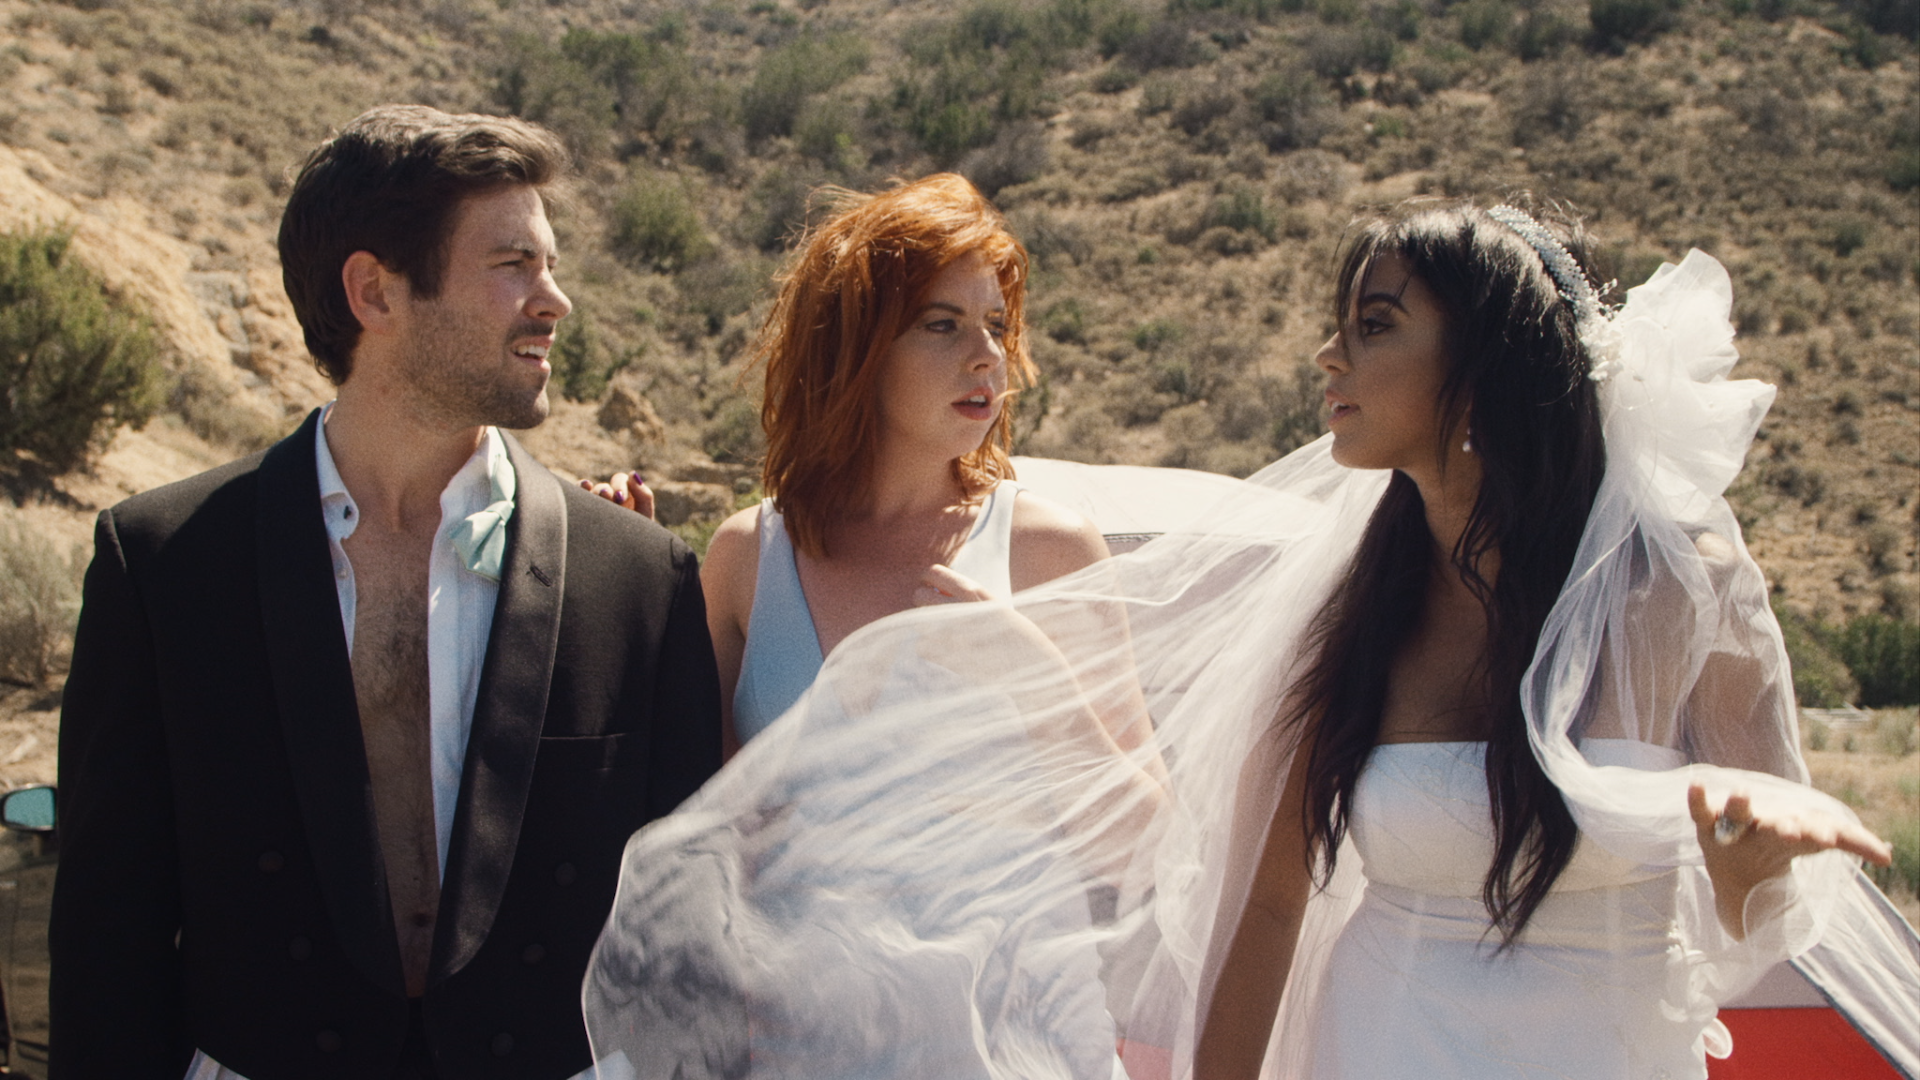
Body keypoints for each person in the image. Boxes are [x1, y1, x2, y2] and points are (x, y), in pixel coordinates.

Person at [579, 197, 1918, 1078]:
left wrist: (1746, 872)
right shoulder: (1361, 602)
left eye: (1371, 329)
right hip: (1361, 1043)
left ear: (1488, 366)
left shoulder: (1679, 589)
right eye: (946, 326)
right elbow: (1267, 903)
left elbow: (1761, 914)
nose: (1328, 360)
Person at [50, 105, 722, 1080]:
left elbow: (682, 940)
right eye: (513, 265)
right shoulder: (164, 566)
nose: (556, 300)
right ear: (373, 290)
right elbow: (107, 937)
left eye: (549, 265)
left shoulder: (641, 580)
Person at [594, 173, 1108, 756]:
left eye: (996, 325)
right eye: (943, 325)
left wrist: (1032, 677)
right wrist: (634, 592)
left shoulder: (1052, 551)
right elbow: (686, 785)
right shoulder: (748, 555)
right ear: (854, 350)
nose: (988, 355)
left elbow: (1145, 807)